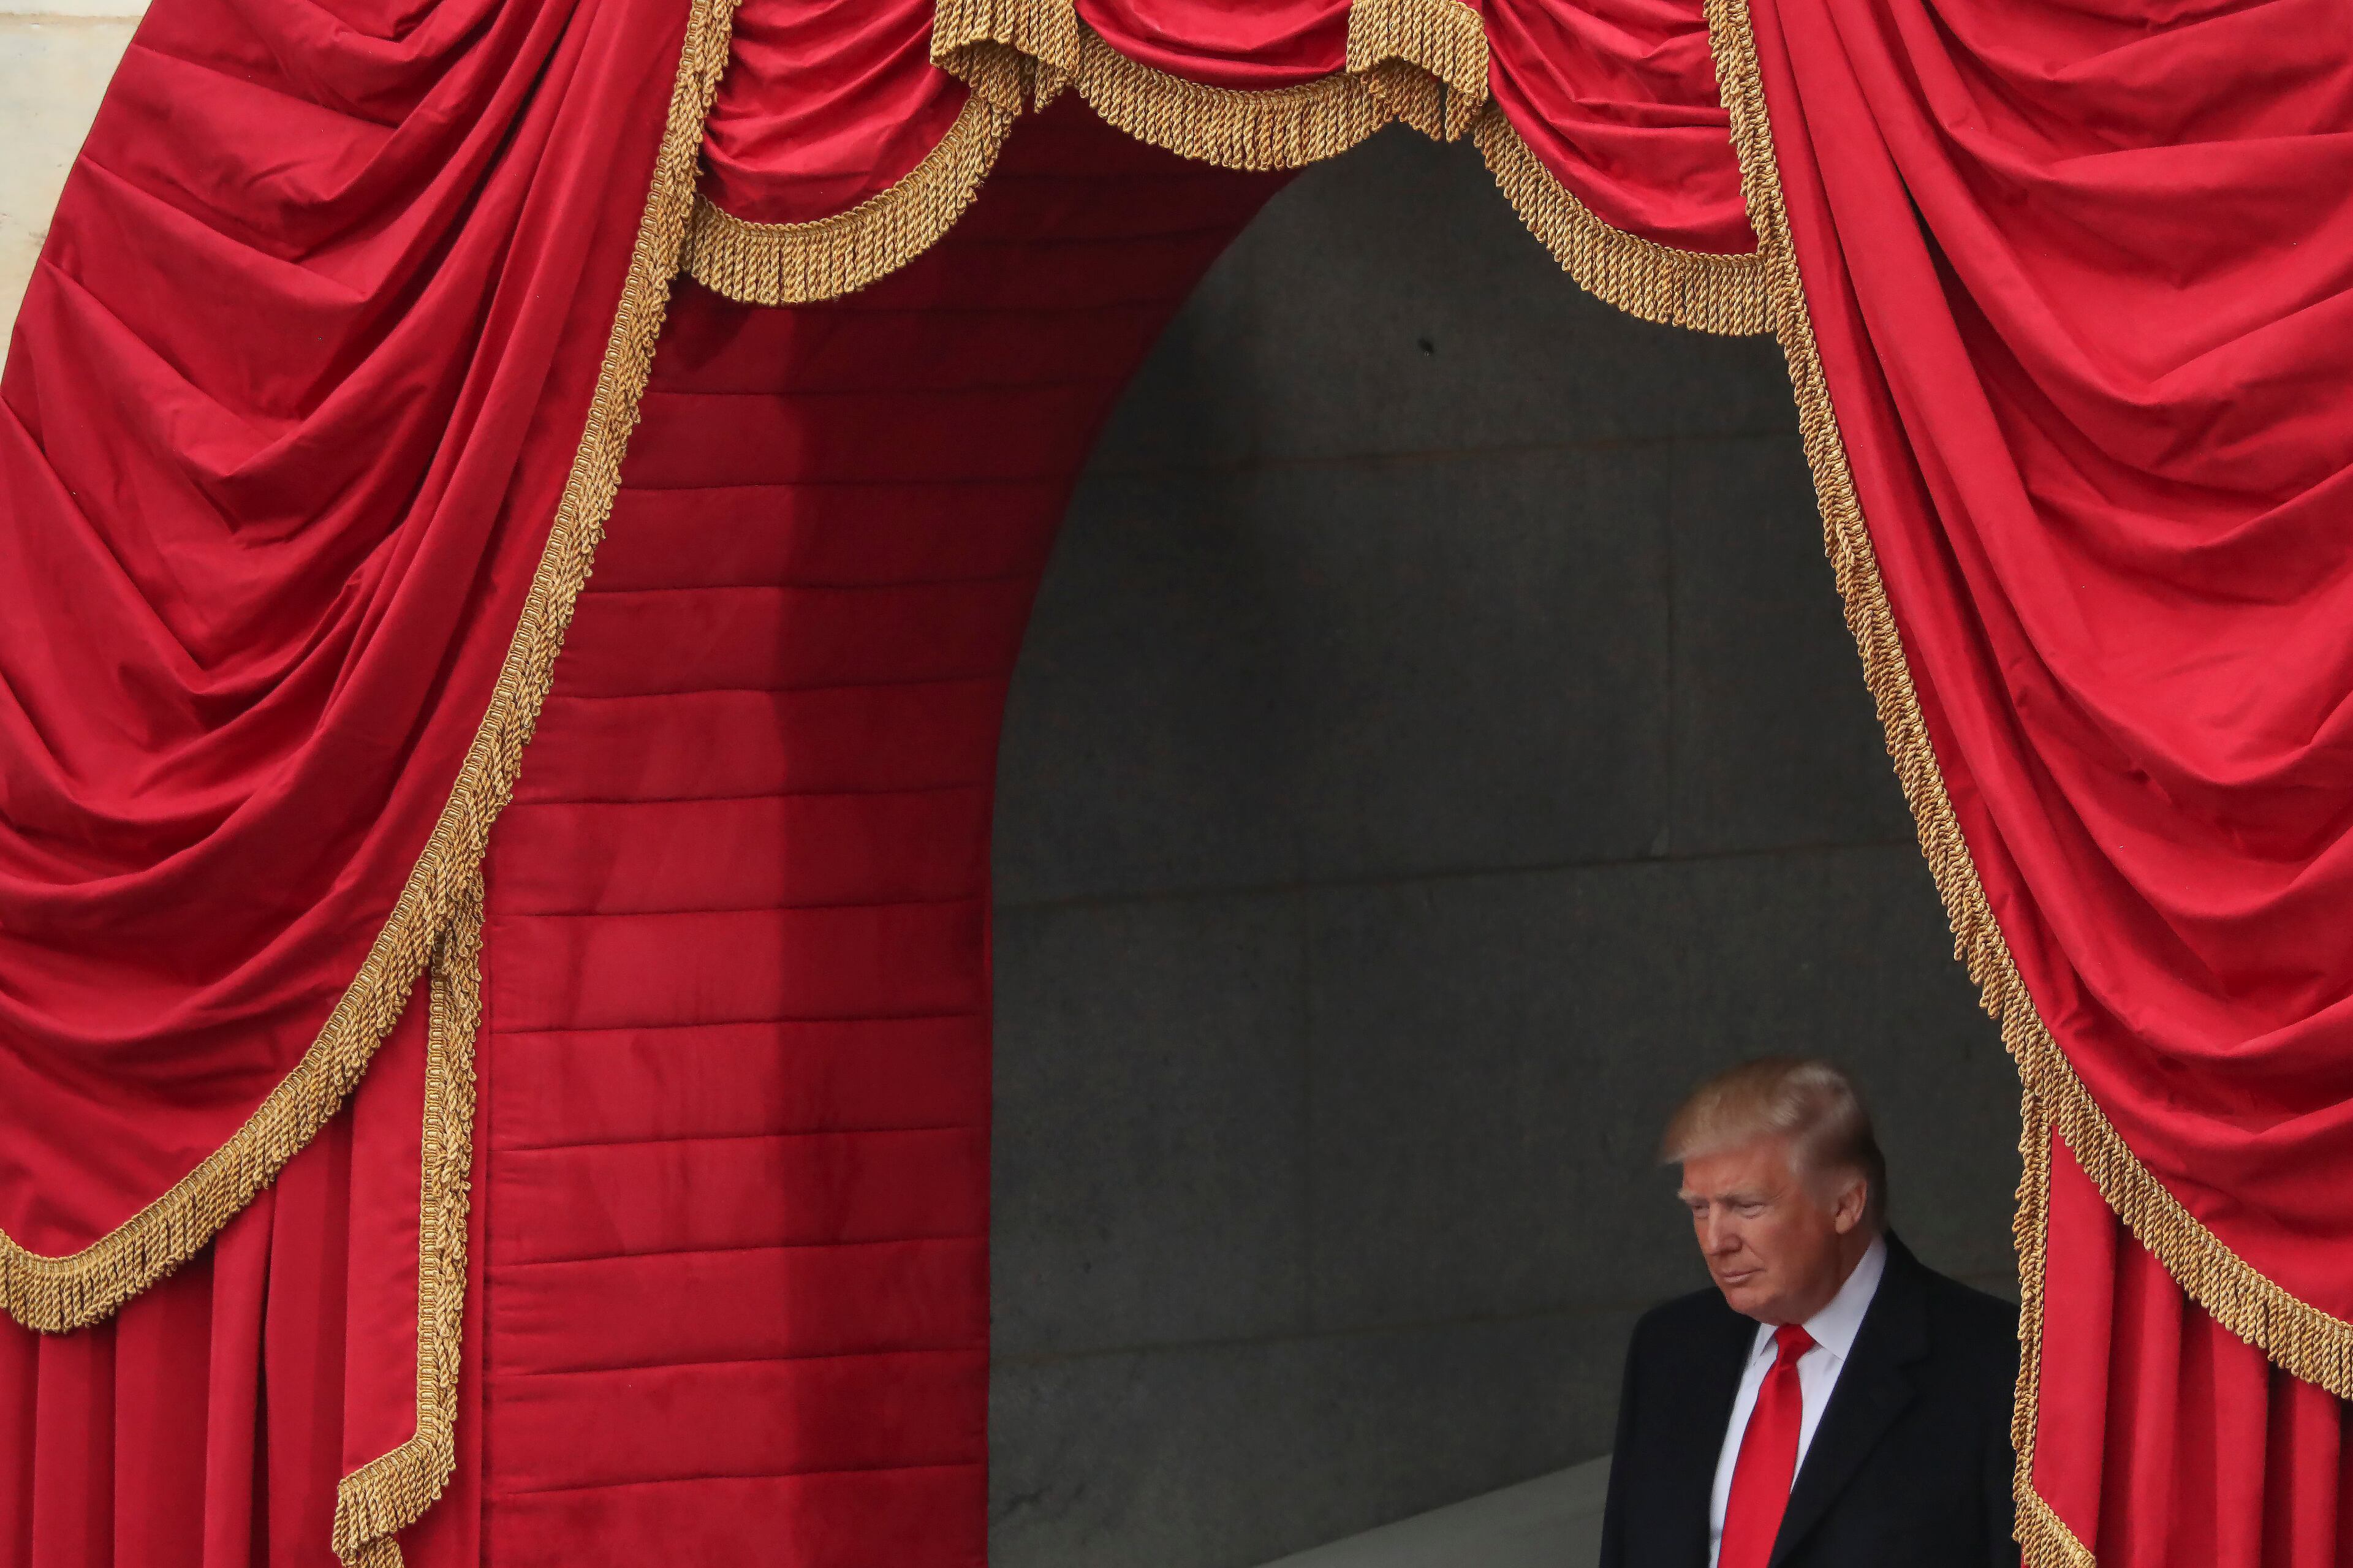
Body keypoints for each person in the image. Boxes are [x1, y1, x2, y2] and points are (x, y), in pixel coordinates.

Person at [1597, 1058, 2018, 1567]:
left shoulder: (1997, 1363)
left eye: (1747, 1206)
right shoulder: (1669, 1347)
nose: (1715, 1241)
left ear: (1846, 1204)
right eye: (1699, 1208)